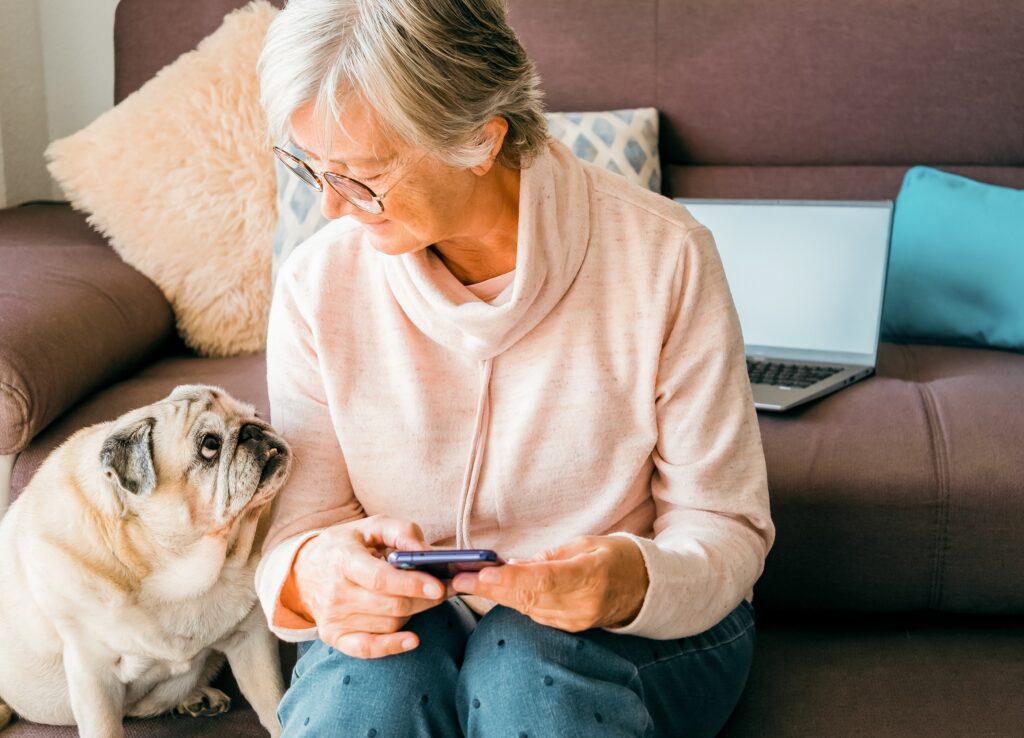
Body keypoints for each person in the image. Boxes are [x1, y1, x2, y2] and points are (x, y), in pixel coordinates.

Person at [255, 0, 774, 735]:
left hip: (635, 633)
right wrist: (313, 574)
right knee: (365, 690)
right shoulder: (317, 285)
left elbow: (725, 526)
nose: (334, 209)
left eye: (362, 177)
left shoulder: (666, 257)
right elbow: (299, 532)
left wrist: (627, 582)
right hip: (418, 622)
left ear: (479, 139)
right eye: (314, 169)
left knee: (525, 667)